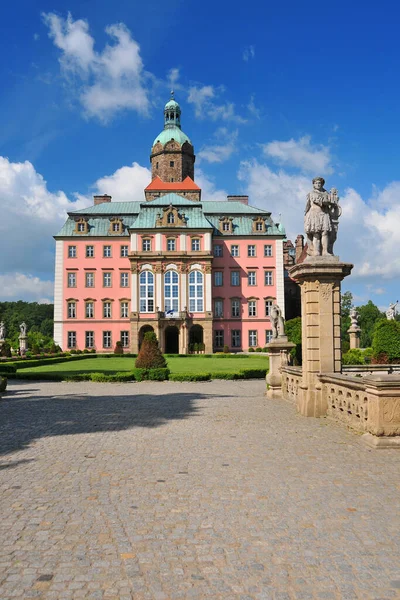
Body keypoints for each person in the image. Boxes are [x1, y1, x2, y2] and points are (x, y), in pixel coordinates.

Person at [305, 177, 339, 256]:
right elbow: (313, 203)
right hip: (314, 214)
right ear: (313, 185)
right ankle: (316, 251)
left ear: (322, 184)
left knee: (325, 232)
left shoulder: (326, 193)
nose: (318, 184)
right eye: (316, 183)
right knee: (316, 233)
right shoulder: (311, 193)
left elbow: (331, 202)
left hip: (324, 214)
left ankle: (325, 251)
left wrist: (332, 200)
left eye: (319, 183)